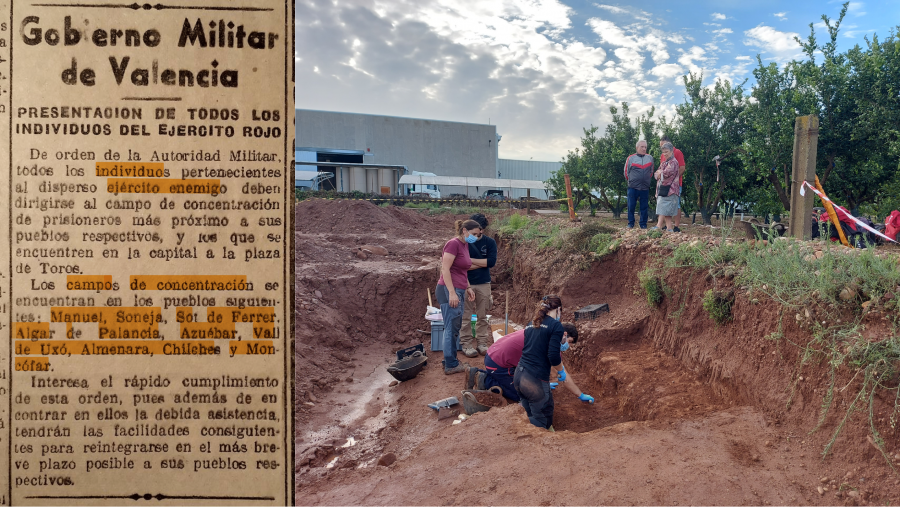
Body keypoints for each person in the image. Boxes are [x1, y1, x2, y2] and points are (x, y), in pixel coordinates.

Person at [513, 295, 594, 430]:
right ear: (559, 309)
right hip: (534, 381)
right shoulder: (556, 326)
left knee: (528, 414)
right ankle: (511, 428)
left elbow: (536, 352)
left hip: (519, 376)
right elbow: (553, 356)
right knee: (543, 421)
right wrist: (561, 370)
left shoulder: (531, 323)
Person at [466, 321, 590, 405]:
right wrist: (580, 395)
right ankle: (483, 378)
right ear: (564, 334)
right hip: (497, 363)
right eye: (570, 341)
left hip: (495, 353)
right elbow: (564, 376)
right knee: (525, 398)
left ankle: (497, 377)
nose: (568, 346)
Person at [435, 219, 479, 375]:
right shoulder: (453, 244)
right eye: (473, 234)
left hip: (458, 289)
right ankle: (451, 364)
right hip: (449, 291)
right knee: (451, 327)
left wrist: (467, 287)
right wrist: (452, 292)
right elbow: (445, 269)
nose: (476, 237)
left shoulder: (465, 245)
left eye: (478, 235)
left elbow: (462, 270)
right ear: (464, 231)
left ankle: (449, 359)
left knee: (454, 327)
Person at [464, 213, 498, 357]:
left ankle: (482, 344)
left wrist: (471, 261)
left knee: (482, 315)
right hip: (465, 282)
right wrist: (480, 263)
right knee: (465, 316)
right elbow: (462, 265)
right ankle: (466, 345)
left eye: (481, 230)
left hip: (484, 283)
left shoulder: (489, 242)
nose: (479, 233)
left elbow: (490, 262)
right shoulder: (463, 242)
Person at [653, 135, 686, 232]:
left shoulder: (677, 154)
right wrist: (661, 174)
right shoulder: (664, 156)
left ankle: (675, 226)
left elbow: (679, 168)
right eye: (662, 149)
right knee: (664, 205)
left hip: (672, 186)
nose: (664, 152)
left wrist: (672, 179)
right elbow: (658, 171)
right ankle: (668, 227)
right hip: (664, 186)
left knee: (674, 205)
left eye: (664, 147)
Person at [623, 140, 654, 229]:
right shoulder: (630, 158)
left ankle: (643, 224)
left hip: (645, 188)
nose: (644, 149)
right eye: (642, 147)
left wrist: (646, 181)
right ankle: (630, 223)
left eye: (645, 147)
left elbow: (651, 172)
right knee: (631, 206)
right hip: (633, 187)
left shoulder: (650, 158)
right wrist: (631, 181)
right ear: (637, 148)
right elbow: (626, 172)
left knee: (644, 207)